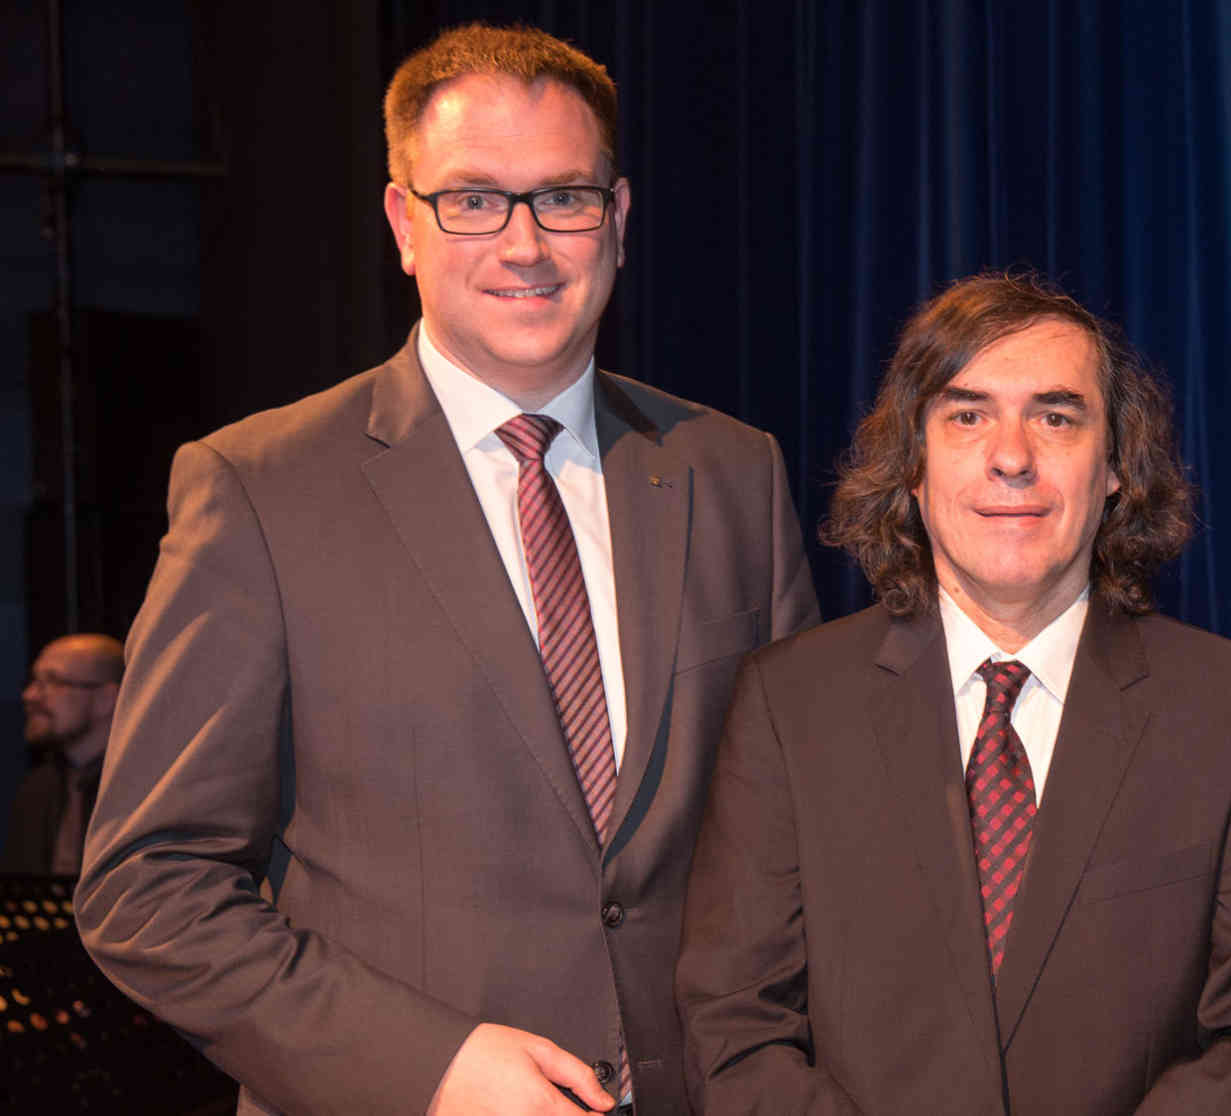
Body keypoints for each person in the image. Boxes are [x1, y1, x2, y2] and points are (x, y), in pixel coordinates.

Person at [75, 23, 819, 1116]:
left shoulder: (730, 474)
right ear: (402, 225)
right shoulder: (258, 489)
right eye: (472, 199)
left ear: (616, 221)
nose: (524, 244)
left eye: (563, 198)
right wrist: (422, 1066)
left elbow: (796, 845)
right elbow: (149, 890)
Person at [676, 271, 1231, 1115]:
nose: (1011, 456)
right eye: (967, 415)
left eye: (1056, 417)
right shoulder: (786, 706)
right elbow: (735, 1028)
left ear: (1118, 467)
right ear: (911, 464)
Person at [3, 633, 123, 875]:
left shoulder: (144, 792)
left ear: (106, 698)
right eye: (34, 681)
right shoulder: (37, 789)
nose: (30, 695)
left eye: (53, 681)